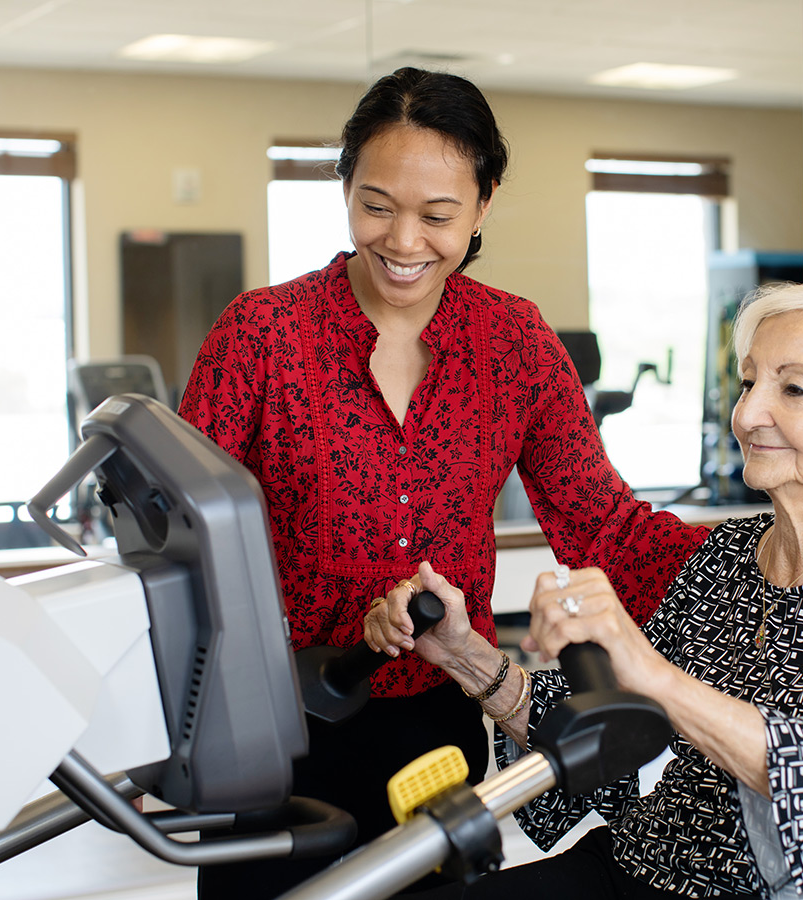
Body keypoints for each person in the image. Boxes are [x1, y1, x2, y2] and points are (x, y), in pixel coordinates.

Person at [178, 67, 709, 899]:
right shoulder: (263, 334)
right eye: (377, 205)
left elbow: (603, 528)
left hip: (433, 726)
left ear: (484, 203)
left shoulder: (514, 343)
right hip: (275, 719)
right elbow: (182, 542)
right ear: (345, 187)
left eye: (438, 215)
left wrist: (766, 560)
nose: (402, 241)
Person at [369, 279, 803, 899]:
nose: (746, 414)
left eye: (793, 389)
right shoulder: (731, 556)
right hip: (649, 866)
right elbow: (609, 741)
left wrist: (645, 668)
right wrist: (463, 653)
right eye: (748, 384)